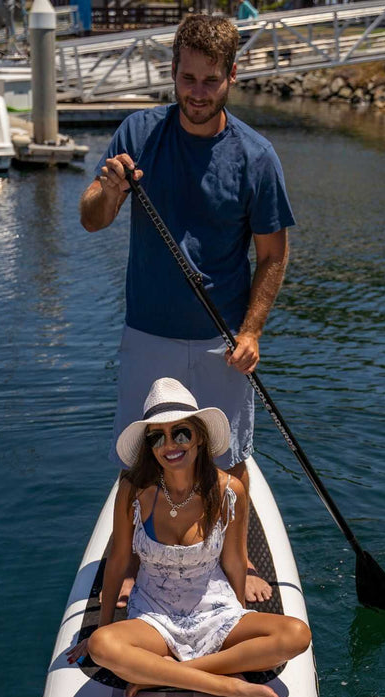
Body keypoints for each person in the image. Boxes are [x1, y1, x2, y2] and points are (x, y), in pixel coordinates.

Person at [79, 13, 295, 606]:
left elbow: (273, 255)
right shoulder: (138, 135)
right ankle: (125, 566)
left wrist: (251, 331)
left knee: (228, 460)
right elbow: (91, 217)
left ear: (231, 76)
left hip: (219, 342)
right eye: (186, 78)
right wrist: (110, 189)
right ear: (172, 72)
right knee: (139, 459)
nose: (196, 93)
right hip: (146, 332)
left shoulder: (256, 157)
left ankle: (238, 559)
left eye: (209, 81)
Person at [66, 378, 311, 697]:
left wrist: (235, 621)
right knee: (102, 646)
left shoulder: (229, 491)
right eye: (157, 437)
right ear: (149, 446)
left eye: (181, 432)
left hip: (215, 610)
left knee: (296, 635)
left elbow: (236, 561)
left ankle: (165, 674)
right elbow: (119, 560)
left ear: (199, 437)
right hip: (154, 616)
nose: (170, 444)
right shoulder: (133, 490)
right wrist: (100, 626)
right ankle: (227, 685)